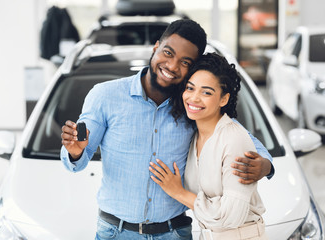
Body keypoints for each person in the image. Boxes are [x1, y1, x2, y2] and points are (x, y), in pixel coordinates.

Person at [60, 19, 273, 240]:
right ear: (156, 47)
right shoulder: (104, 96)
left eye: (185, 62)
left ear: (193, 67)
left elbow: (240, 137)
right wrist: (75, 151)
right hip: (116, 232)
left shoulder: (192, 105)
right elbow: (77, 161)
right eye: (168, 53)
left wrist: (265, 164)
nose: (172, 66)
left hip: (174, 232)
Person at [149, 53, 268, 240]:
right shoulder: (193, 136)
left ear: (223, 99)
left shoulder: (233, 139)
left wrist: (178, 192)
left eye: (206, 92)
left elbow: (229, 216)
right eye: (190, 88)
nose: (194, 98)